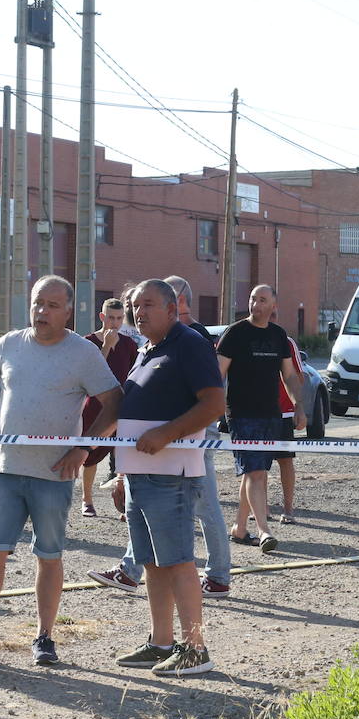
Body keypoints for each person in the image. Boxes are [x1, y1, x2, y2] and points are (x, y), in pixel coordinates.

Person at [0, 276, 122, 665]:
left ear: (69, 310)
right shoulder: (10, 344)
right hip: (8, 473)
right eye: (37, 303)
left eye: (52, 305)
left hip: (53, 477)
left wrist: (85, 446)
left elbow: (115, 402)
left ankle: (45, 637)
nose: (42, 312)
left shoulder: (83, 353)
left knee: (49, 556)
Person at [102, 279, 226, 676]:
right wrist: (122, 471)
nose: (140, 312)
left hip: (172, 474)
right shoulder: (146, 350)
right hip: (141, 474)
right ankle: (160, 643)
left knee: (179, 562)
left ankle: (195, 650)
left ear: (173, 308)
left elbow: (214, 404)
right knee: (152, 562)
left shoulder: (189, 344)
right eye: (136, 306)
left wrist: (167, 433)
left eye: (149, 305)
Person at [217, 285, 306, 552]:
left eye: (262, 299)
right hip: (241, 414)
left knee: (255, 471)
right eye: (253, 298)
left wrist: (299, 405)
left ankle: (240, 527)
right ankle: (264, 530)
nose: (256, 303)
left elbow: (289, 375)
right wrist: (215, 404)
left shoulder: (279, 336)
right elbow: (216, 372)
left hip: (272, 414)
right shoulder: (235, 333)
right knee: (256, 472)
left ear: (273, 306)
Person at [233, 326, 304, 528]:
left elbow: (298, 376)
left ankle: (288, 509)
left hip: (283, 412)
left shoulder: (285, 341)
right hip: (256, 413)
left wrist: (297, 404)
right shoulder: (244, 338)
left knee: (285, 460)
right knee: (259, 465)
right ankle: (261, 509)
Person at [80, 297, 136, 516]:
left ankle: (125, 504)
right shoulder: (88, 342)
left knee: (123, 457)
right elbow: (89, 375)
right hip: (95, 407)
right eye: (111, 318)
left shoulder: (130, 344)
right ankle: (87, 499)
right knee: (90, 455)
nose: (115, 323)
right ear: (102, 317)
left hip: (122, 407)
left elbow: (134, 374)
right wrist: (106, 347)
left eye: (119, 318)